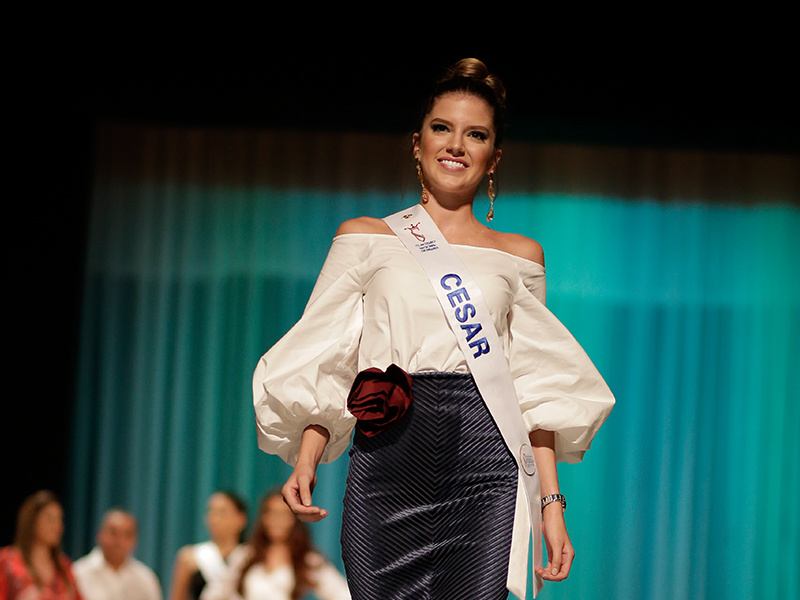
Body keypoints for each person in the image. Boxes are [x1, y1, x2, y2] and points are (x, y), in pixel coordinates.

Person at [252, 58, 615, 600]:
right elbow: (330, 356)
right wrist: (307, 457)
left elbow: (533, 388)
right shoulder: (365, 238)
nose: (457, 145)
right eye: (442, 128)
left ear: (494, 158)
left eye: (477, 135)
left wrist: (550, 506)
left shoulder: (519, 257)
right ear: (417, 143)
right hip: (388, 463)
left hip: (484, 471)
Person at [203, 491, 350, 600]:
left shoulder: (306, 559)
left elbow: (341, 593)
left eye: (283, 514)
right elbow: (214, 593)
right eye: (271, 513)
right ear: (263, 518)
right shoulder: (245, 555)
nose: (276, 520)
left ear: (294, 519)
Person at [0, 490, 83, 600]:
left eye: (59, 519)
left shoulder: (64, 566)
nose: (56, 526)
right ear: (32, 520)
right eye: (50, 519)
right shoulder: (8, 561)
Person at [169, 491, 249, 600]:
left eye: (222, 512)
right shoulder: (190, 557)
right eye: (211, 512)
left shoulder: (249, 556)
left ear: (241, 519)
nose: (214, 519)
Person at [72, 509, 161, 600]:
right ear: (99, 534)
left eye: (127, 534)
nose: (119, 541)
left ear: (135, 540)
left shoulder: (146, 579)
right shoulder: (78, 573)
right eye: (113, 533)